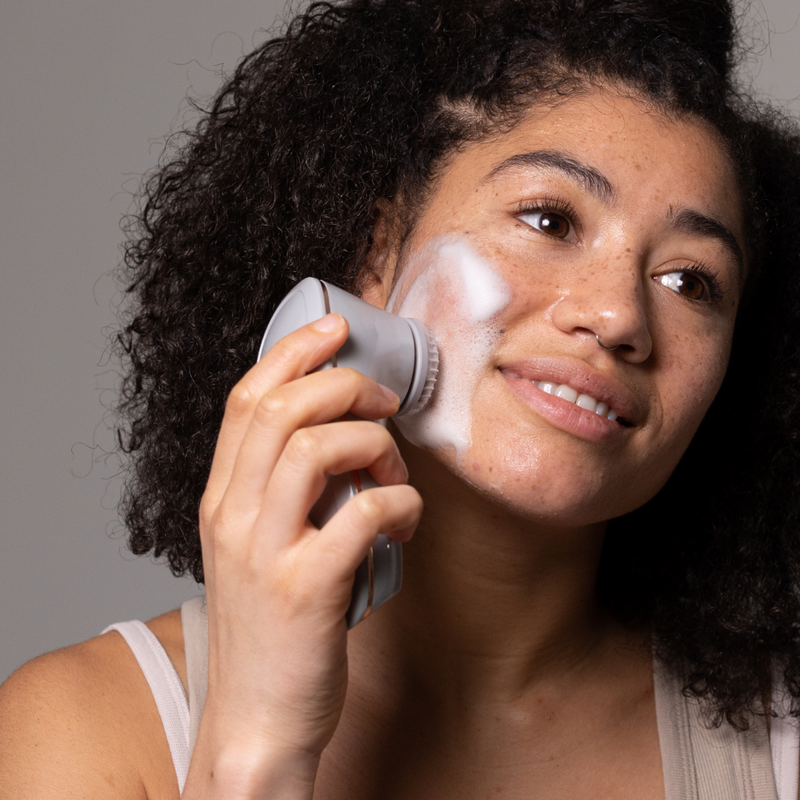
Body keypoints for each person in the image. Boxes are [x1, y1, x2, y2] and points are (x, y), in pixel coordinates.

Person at [3, 0, 800, 797]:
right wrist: (256, 749)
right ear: (377, 253)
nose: (621, 315)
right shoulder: (82, 732)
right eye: (550, 219)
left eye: (691, 281)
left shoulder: (782, 744)